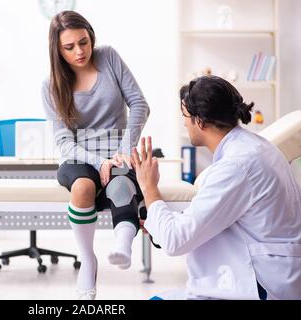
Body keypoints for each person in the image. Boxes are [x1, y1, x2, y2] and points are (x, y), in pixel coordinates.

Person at [131, 76, 301, 300]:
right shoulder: (255, 147)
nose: (183, 123)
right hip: (272, 273)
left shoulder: (236, 166)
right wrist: (161, 222)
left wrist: (149, 187)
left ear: (200, 121)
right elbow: (215, 216)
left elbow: (175, 241)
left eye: (185, 116)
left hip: (260, 284)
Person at [41, 11, 150, 300]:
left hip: (119, 149)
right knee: (83, 187)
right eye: (69, 47)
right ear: (57, 50)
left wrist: (123, 152)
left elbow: (140, 105)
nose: (80, 51)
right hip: (79, 157)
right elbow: (64, 141)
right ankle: (88, 260)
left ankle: (123, 246)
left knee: (121, 184)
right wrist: (99, 162)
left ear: (91, 37)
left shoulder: (109, 58)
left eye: (84, 42)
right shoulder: (51, 86)